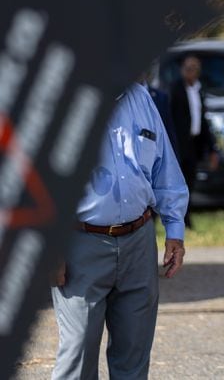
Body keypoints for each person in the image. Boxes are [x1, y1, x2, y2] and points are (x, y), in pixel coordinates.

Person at [51, 83, 189, 379]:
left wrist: (174, 231)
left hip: (139, 242)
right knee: (78, 359)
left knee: (134, 360)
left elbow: (166, 170)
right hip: (79, 245)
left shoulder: (141, 98)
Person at [170, 55, 218, 228]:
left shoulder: (198, 89)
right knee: (176, 184)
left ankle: (186, 219)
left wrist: (212, 149)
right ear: (182, 69)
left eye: (195, 68)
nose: (192, 72)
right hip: (178, 146)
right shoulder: (174, 89)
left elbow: (203, 121)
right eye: (189, 68)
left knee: (189, 183)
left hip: (194, 144)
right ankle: (172, 220)